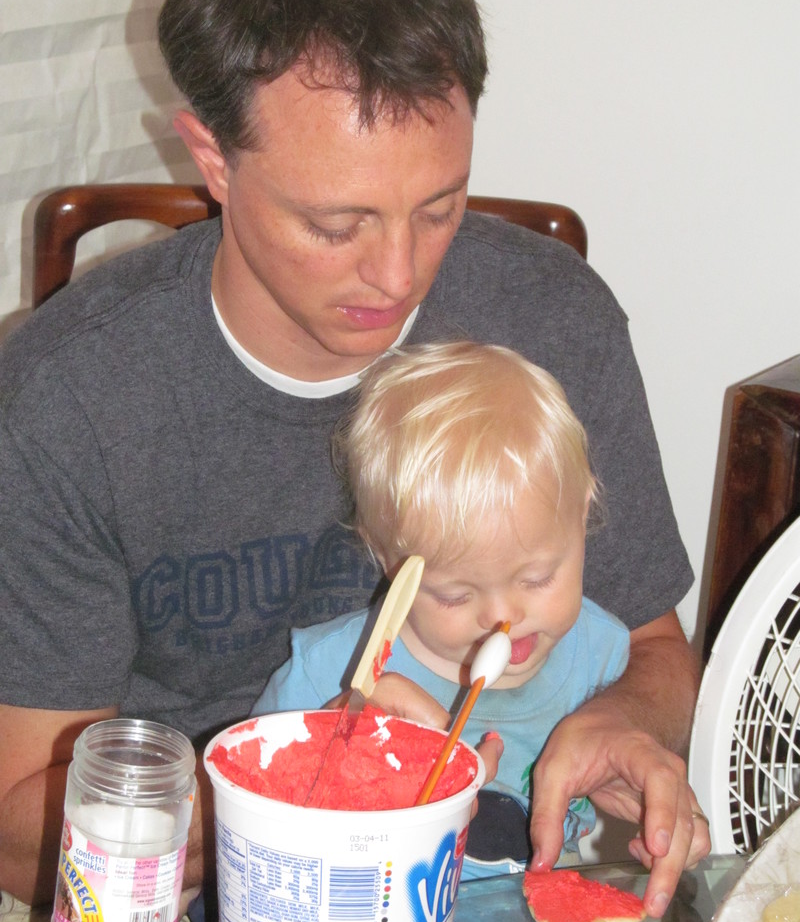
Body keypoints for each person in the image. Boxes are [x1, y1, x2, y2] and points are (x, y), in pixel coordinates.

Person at [0, 0, 707, 922]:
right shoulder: (72, 397)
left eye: (438, 206)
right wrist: (297, 789)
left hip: (487, 891)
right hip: (198, 915)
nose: (397, 274)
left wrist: (616, 724)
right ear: (210, 157)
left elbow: (652, 649)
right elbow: (20, 816)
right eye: (336, 225)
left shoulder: (552, 323)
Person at [253, 340, 632, 880]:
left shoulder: (604, 656)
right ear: (386, 560)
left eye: (538, 577)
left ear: (583, 513)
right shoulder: (325, 676)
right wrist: (330, 753)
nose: (504, 618)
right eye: (456, 595)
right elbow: (251, 826)